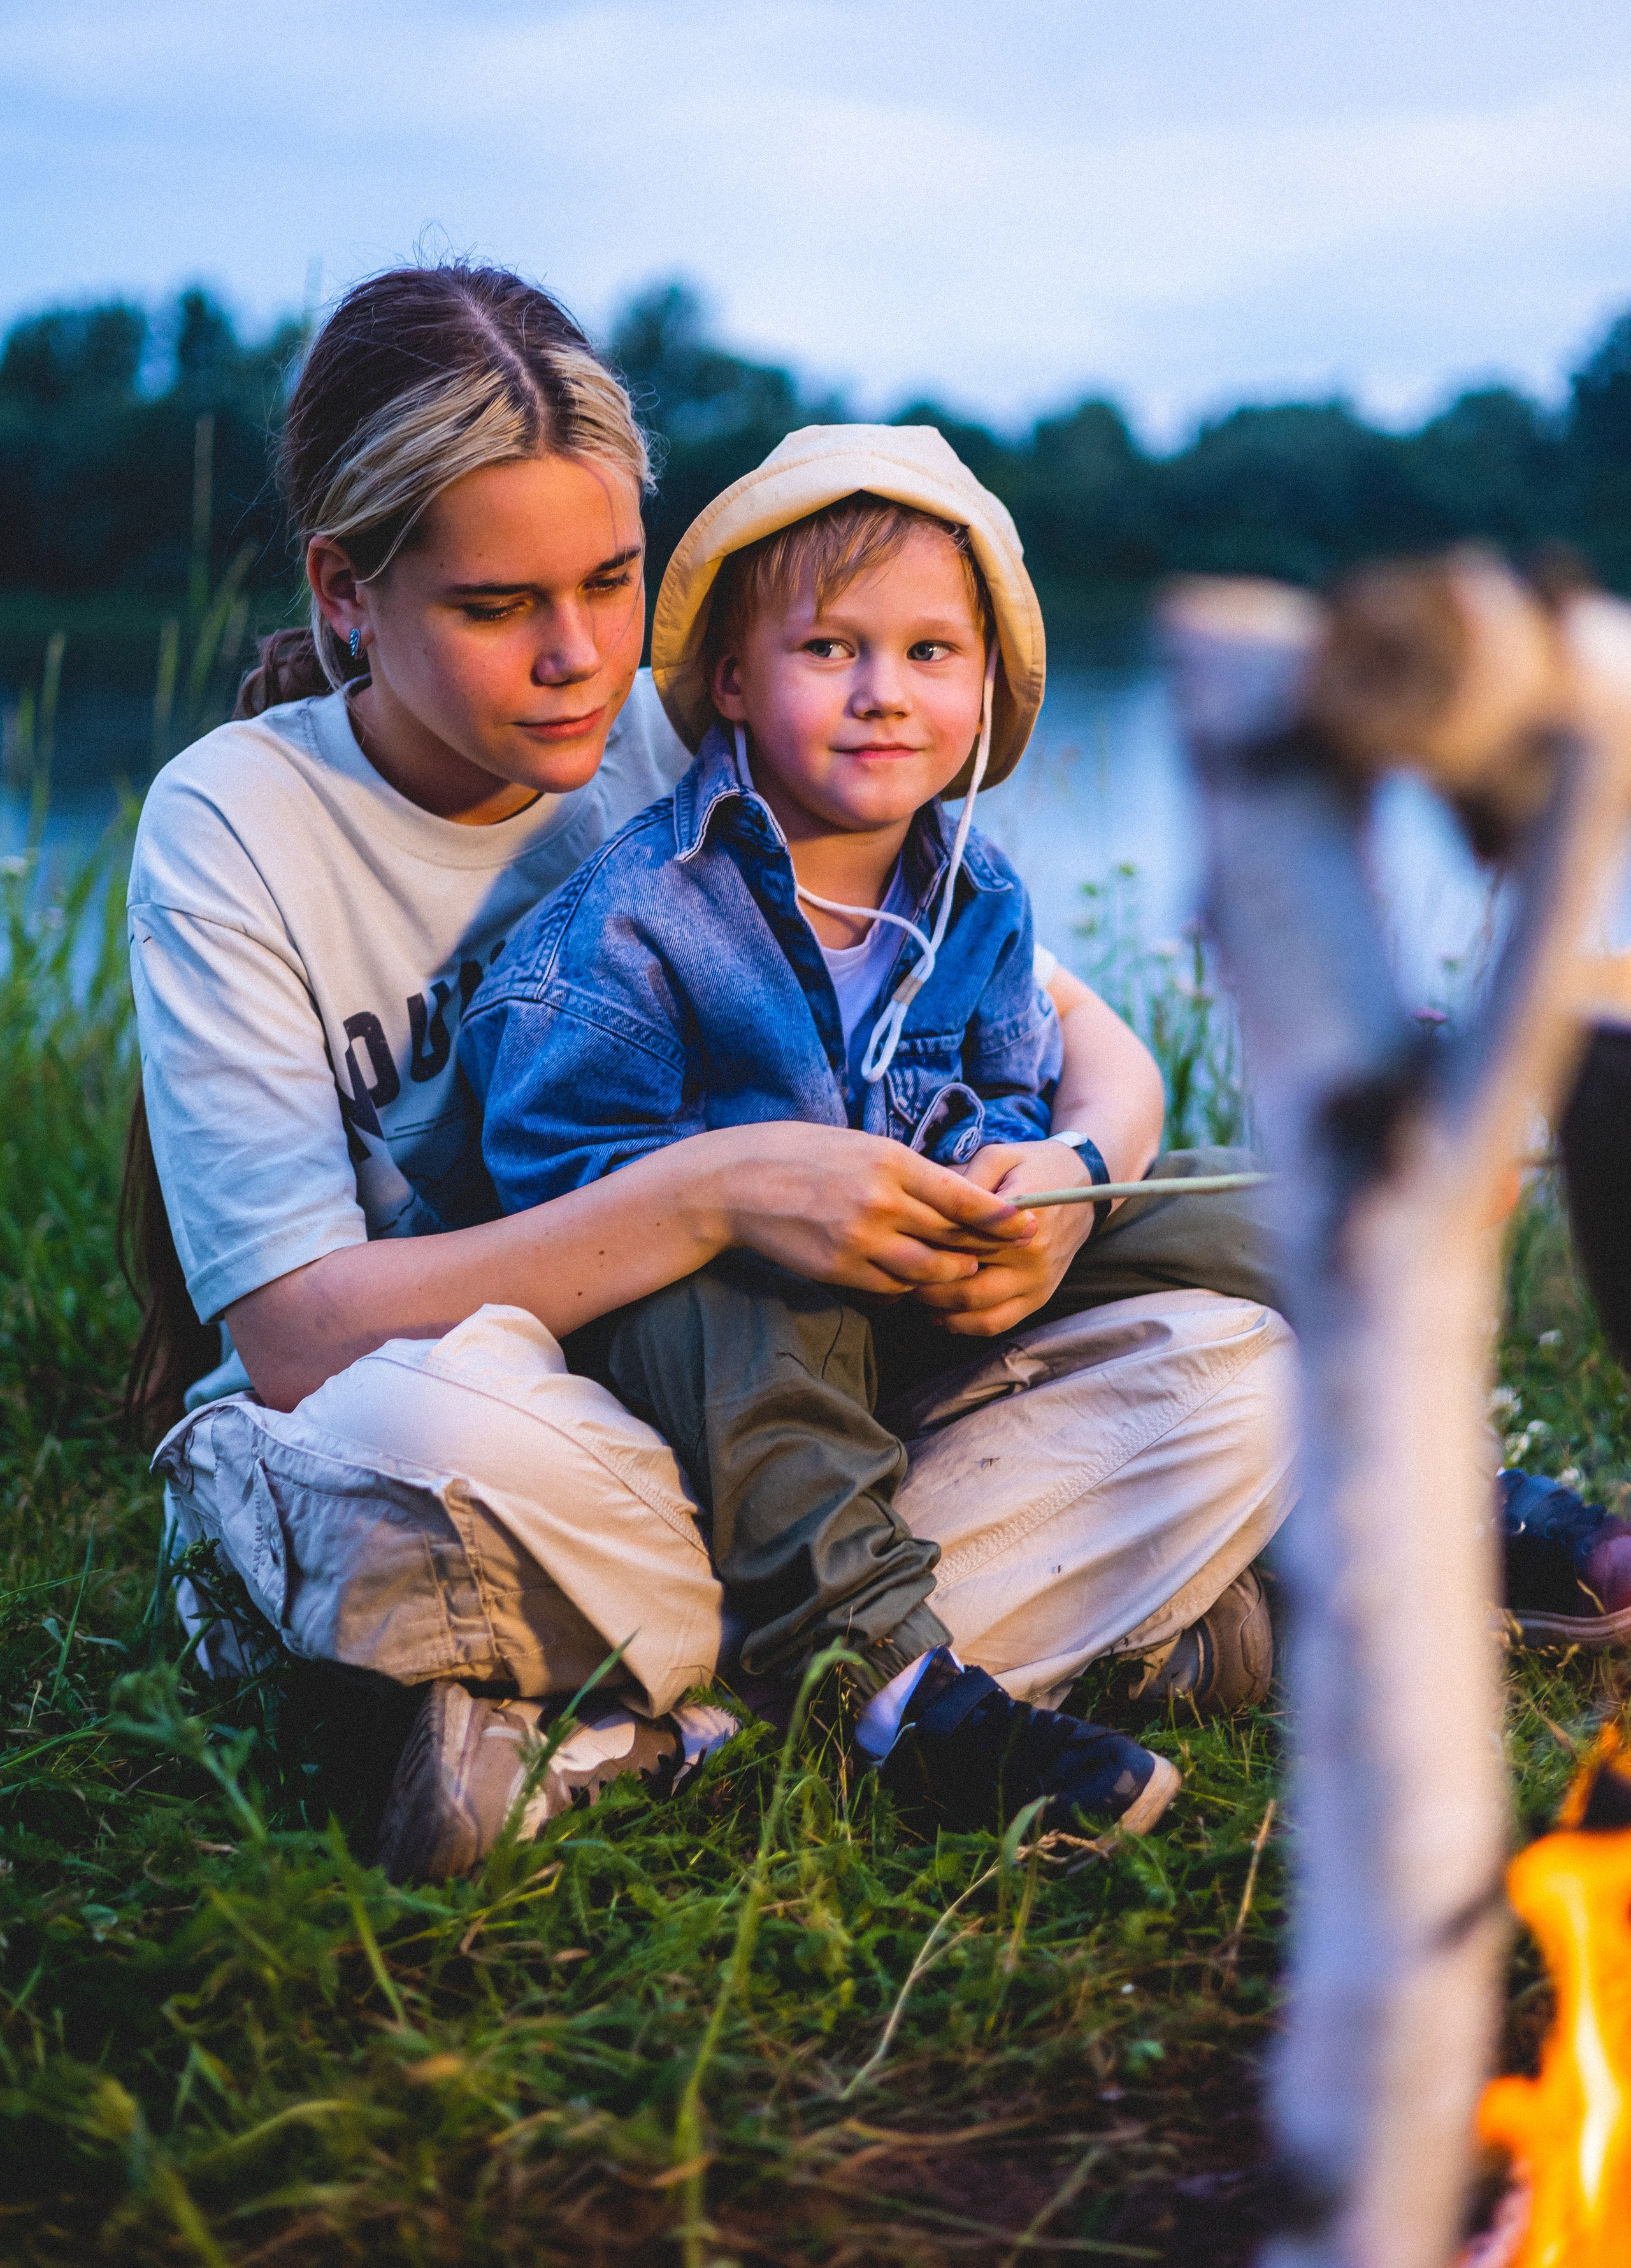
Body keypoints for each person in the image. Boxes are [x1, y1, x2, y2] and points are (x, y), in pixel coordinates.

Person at [126, 260, 1297, 1883]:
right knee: (436, 1447)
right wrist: (711, 1194)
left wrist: (1064, 1180)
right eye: (496, 608)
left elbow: (1079, 1038)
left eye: (613, 581)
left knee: (1244, 1356)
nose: (580, 657)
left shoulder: (694, 728)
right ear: (344, 592)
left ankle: (628, 1724)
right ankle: (956, 1647)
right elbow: (294, 1334)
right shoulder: (231, 820)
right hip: (503, 1409)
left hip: (780, 1402)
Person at [464, 428, 1181, 1834]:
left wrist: (1034, 1189)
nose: (881, 695)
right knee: (736, 1318)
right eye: (828, 650)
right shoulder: (637, 919)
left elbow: (1016, 1086)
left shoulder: (978, 899)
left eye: (928, 654)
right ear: (731, 679)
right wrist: (744, 1202)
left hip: (917, 1293)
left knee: (1228, 1217)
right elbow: (555, 1191)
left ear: (983, 691)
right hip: (709, 1335)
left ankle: (1429, 1479)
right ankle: (897, 1689)